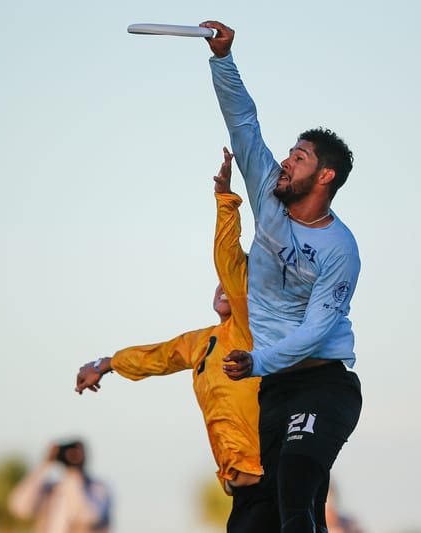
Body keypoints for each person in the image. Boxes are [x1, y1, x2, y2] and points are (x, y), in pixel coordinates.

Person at [198, 21, 363, 533]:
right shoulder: (270, 193)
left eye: (300, 157)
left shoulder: (340, 248)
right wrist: (223, 59)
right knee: (273, 516)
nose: (286, 163)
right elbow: (243, 124)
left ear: (325, 176)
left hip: (324, 383)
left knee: (296, 475)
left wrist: (258, 359)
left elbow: (315, 330)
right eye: (290, 154)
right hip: (275, 388)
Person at [74, 148, 278, 532]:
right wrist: (106, 364)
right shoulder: (203, 342)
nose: (223, 287)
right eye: (218, 284)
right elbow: (159, 356)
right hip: (240, 492)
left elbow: (229, 259)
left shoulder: (252, 330)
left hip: (270, 482)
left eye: (232, 284)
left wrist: (225, 201)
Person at [8, 439, 111, 533]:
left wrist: (73, 474)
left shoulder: (99, 489)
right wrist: (45, 465)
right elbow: (19, 506)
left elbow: (87, 517)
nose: (73, 456)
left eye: (76, 453)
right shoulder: (52, 490)